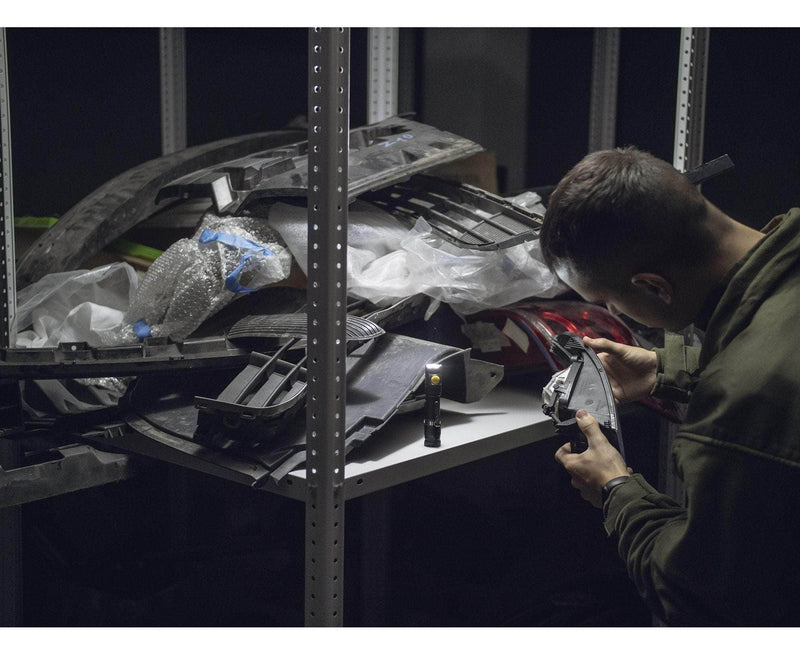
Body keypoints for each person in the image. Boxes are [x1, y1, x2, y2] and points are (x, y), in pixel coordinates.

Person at [539, 145, 800, 626]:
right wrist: (669, 369)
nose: (613, 315)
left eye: (610, 302)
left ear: (654, 286)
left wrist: (615, 489)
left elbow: (700, 600)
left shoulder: (740, 408)